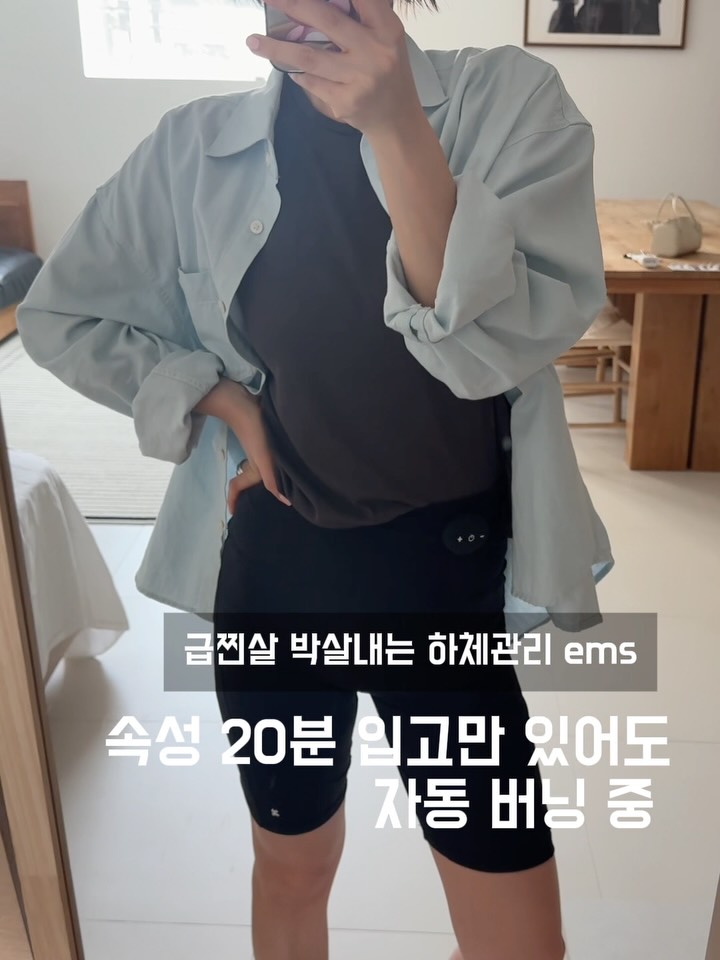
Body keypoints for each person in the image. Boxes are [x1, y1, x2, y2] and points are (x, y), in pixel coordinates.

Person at [17, 0, 615, 957]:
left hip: (441, 577)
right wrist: (218, 396)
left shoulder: (509, 100)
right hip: (280, 567)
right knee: (291, 866)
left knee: (512, 916)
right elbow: (62, 315)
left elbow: (492, 347)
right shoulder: (193, 148)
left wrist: (396, 123)